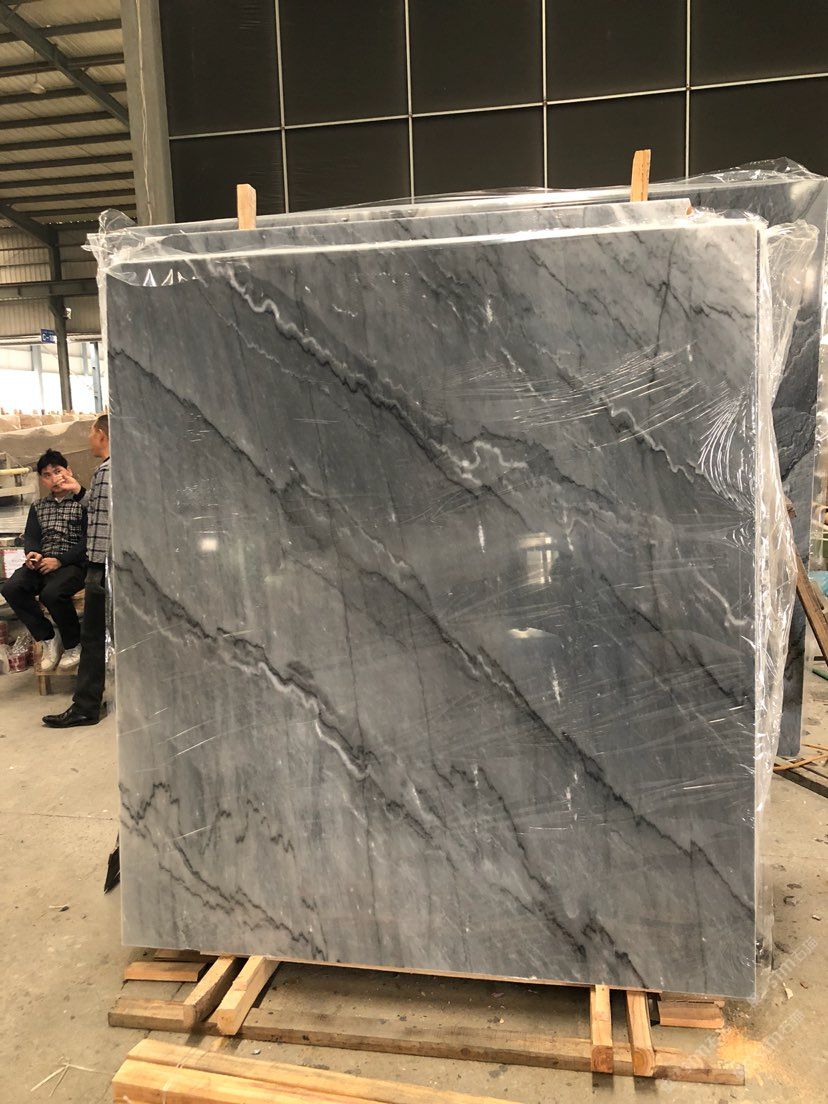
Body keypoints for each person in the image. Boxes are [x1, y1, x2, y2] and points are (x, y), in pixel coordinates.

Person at [43, 414, 111, 728]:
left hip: (102, 564)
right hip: (106, 564)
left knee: (93, 639)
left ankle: (86, 706)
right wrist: (79, 490)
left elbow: (105, 521)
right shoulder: (112, 471)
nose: (89, 438)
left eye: (91, 432)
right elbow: (101, 508)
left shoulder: (106, 471)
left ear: (102, 435)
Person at [0, 448, 87, 672]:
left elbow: (88, 542)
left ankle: (73, 645)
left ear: (68, 471)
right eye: (47, 475)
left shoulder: (84, 502)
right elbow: (31, 536)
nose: (53, 478)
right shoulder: (38, 506)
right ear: (42, 479)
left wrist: (60, 560)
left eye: (57, 471)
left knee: (52, 594)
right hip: (42, 562)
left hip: (72, 564)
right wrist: (33, 553)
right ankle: (48, 637)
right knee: (11, 588)